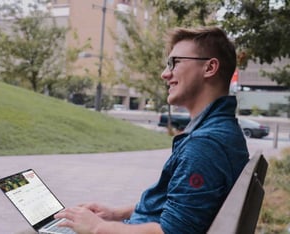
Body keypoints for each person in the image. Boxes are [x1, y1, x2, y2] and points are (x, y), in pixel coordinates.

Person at [54, 26, 249, 234]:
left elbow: (173, 232)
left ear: (209, 68)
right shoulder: (220, 131)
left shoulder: (205, 146)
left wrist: (98, 228)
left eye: (175, 62)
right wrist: (116, 214)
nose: (165, 74)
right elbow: (181, 205)